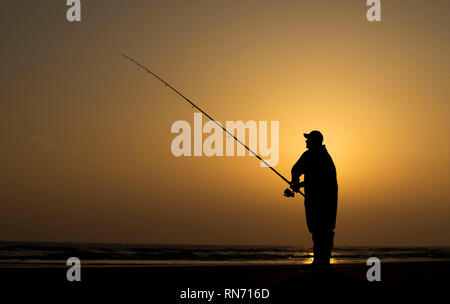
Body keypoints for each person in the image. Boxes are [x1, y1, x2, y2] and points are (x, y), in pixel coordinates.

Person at [284, 130, 338, 270]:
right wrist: (295, 182)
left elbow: (319, 180)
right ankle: (320, 262)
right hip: (316, 198)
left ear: (314, 142)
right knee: (317, 229)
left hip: (324, 200)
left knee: (323, 229)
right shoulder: (312, 156)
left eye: (308, 140)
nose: (306, 142)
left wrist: (298, 185)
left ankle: (322, 262)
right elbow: (295, 170)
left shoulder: (321, 158)